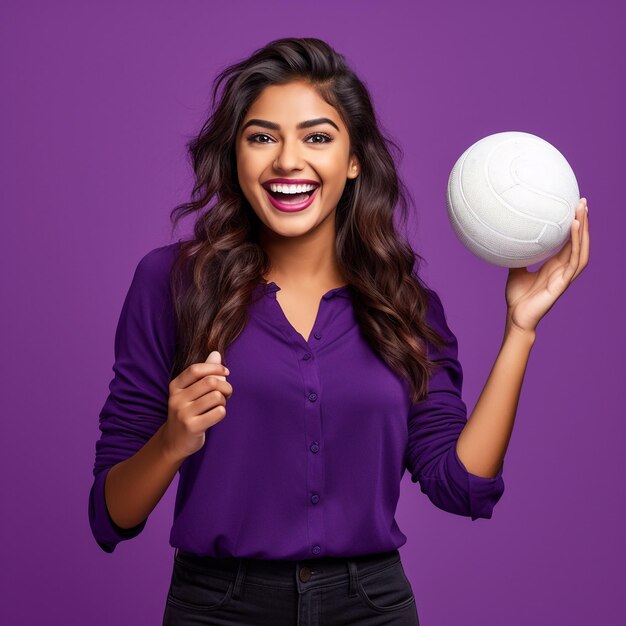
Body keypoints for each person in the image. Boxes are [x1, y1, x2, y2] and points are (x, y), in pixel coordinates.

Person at [87, 37, 590, 626]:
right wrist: (172, 441)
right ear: (236, 156)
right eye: (262, 136)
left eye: (317, 137)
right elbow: (111, 515)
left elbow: (463, 487)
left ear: (353, 161)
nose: (287, 161)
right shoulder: (170, 282)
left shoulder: (405, 306)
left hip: (371, 606)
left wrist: (520, 331)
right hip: (217, 608)